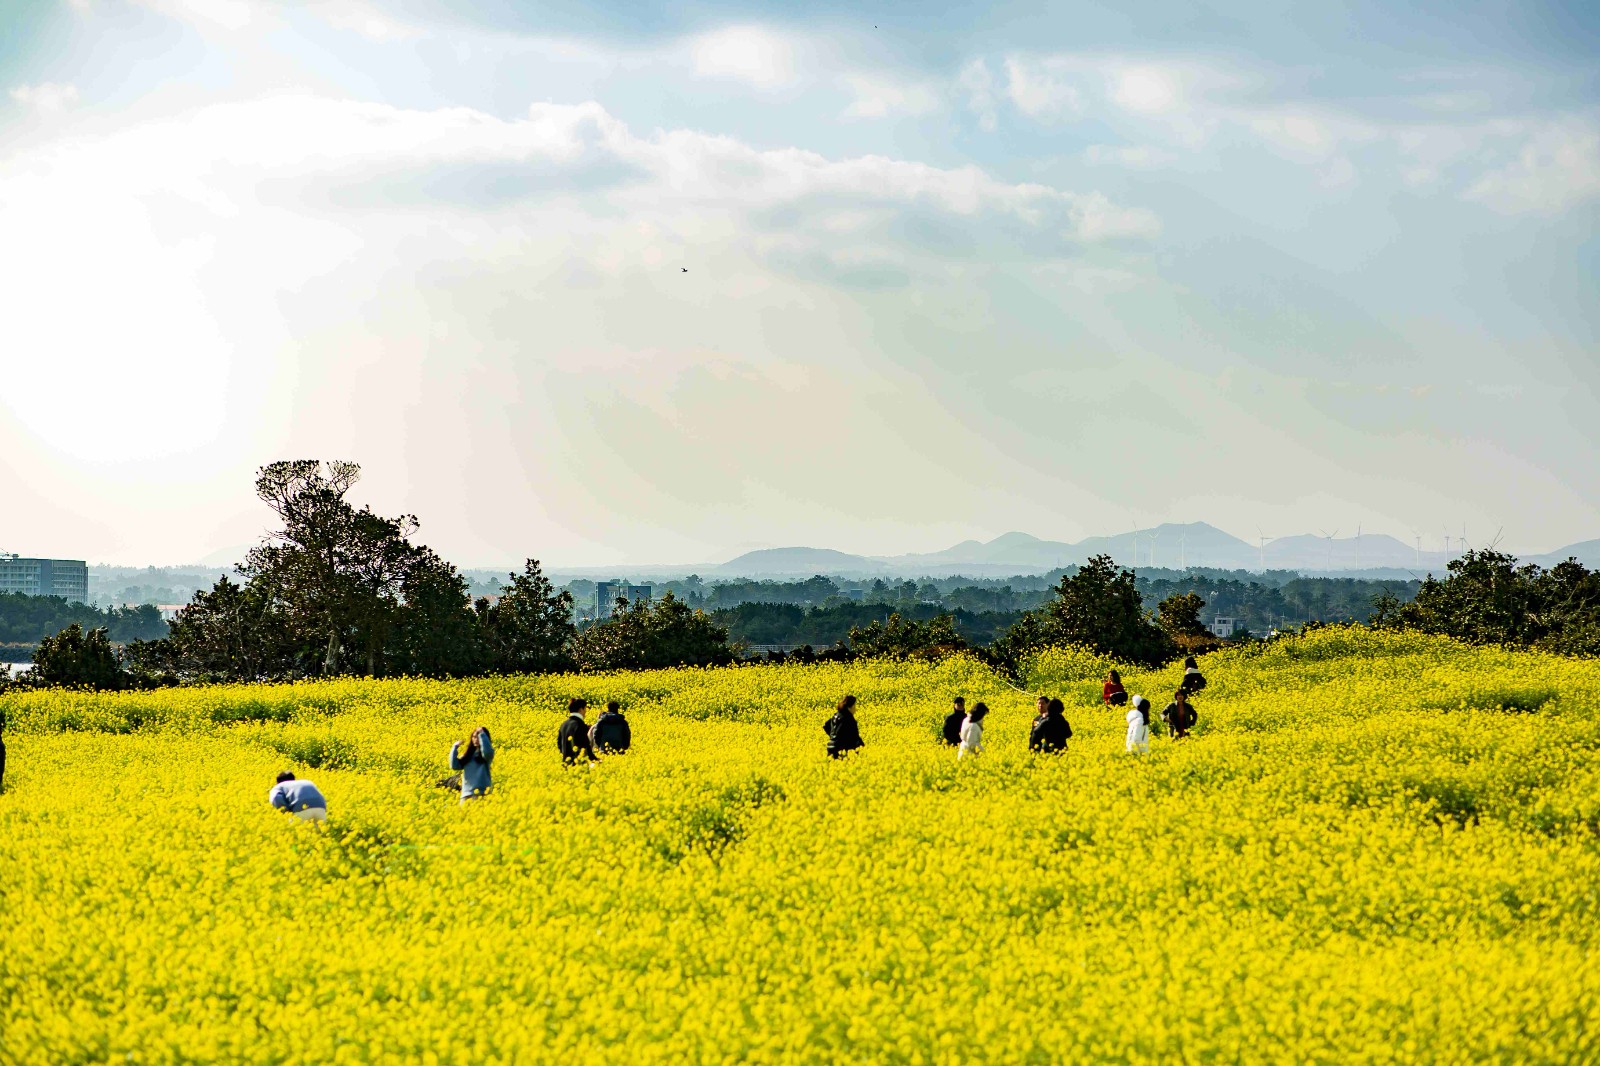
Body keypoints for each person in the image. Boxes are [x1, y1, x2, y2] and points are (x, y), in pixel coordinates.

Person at [448, 725, 495, 801]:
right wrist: (455, 747)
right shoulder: (467, 756)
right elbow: (454, 766)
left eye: (478, 737)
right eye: (474, 737)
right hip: (466, 795)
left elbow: (487, 752)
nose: (476, 739)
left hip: (482, 794)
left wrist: (482, 734)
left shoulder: (486, 756)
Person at [558, 698, 597, 764]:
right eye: (585, 709)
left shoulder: (563, 725)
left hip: (566, 764)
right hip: (578, 764)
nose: (585, 712)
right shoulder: (580, 725)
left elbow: (559, 745)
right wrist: (595, 760)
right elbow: (585, 746)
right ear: (581, 710)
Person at [824, 694, 863, 759]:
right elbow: (855, 735)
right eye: (854, 706)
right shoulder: (848, 717)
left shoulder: (836, 715)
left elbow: (826, 726)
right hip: (840, 750)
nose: (855, 709)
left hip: (830, 747)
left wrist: (833, 737)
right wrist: (862, 746)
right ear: (849, 707)